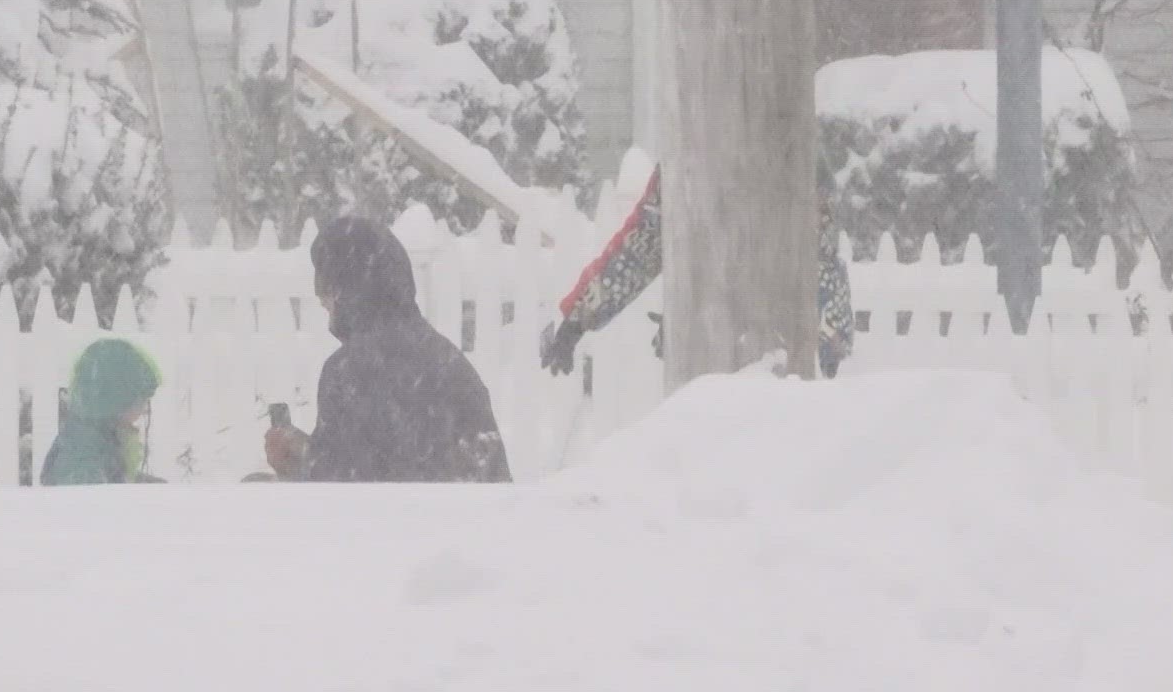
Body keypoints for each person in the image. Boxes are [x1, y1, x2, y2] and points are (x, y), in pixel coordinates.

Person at [539, 166, 855, 377]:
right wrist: (580, 317)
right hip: (704, 358)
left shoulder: (792, 138)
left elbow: (820, 253)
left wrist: (829, 339)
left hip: (779, 358)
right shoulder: (685, 157)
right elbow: (642, 246)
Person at [264, 217, 511, 483]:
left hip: (394, 522)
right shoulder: (450, 362)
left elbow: (343, 488)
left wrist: (297, 457)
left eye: (324, 287)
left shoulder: (349, 371)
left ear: (344, 292)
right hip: (468, 521)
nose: (322, 300)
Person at [40, 338, 166, 486]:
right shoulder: (83, 451)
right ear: (116, 400)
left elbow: (115, 476)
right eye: (139, 400)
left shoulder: (105, 437)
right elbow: (90, 500)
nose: (144, 408)